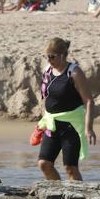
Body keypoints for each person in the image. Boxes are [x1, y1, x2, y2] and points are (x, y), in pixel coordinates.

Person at [37, 38, 96, 181]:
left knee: (70, 168)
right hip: (52, 124)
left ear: (63, 55)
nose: (49, 59)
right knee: (44, 164)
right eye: (47, 56)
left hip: (71, 127)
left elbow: (89, 101)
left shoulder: (74, 73)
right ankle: (57, 193)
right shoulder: (48, 70)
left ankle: (79, 197)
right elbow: (45, 97)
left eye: (52, 56)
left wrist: (89, 128)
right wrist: (43, 120)